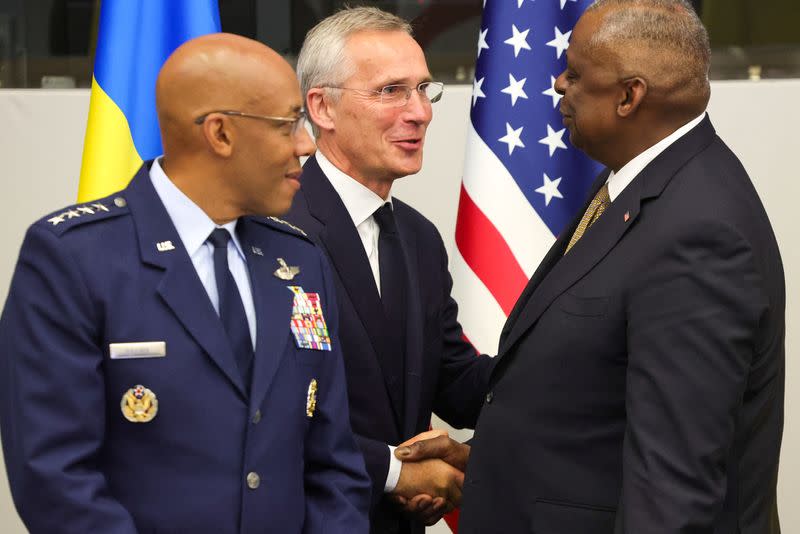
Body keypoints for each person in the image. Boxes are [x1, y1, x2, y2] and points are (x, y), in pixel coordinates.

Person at [399, 1, 785, 532]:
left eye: (576, 74)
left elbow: (671, 485)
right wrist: (486, 456)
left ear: (630, 96)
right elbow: (593, 394)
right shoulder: (639, 184)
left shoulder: (696, 231)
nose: (557, 83)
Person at [0, 33, 371, 533]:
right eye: (288, 125)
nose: (306, 144)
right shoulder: (74, 258)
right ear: (219, 134)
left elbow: (333, 463)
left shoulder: (298, 259)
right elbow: (55, 478)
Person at [285, 6, 495, 532]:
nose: (420, 112)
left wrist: (564, 346)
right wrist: (397, 473)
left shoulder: (419, 239)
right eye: (391, 91)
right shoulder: (272, 231)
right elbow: (265, 414)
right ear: (322, 108)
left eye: (424, 89)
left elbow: (457, 384)